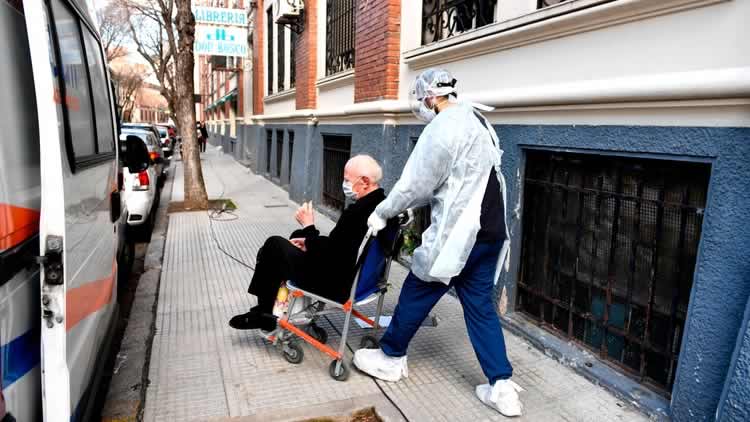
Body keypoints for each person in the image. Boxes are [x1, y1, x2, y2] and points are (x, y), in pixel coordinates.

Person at [352, 69, 524, 417]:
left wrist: (384, 212)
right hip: (490, 232)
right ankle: (502, 386)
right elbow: (458, 181)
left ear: (430, 97)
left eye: (421, 101)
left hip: (459, 237)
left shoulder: (442, 128)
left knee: (417, 292)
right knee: (479, 307)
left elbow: (416, 183)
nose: (421, 108)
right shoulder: (477, 121)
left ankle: (390, 357)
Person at [229, 155, 386, 331]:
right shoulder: (381, 206)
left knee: (274, 245)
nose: (344, 184)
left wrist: (309, 226)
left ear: (365, 181)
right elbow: (344, 246)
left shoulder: (359, 212)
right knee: (296, 237)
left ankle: (264, 313)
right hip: (354, 276)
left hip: (336, 283)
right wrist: (308, 240)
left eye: (347, 179)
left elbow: (334, 253)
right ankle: (276, 307)